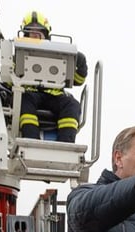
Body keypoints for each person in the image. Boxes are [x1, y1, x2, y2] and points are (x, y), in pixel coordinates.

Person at [17, 10, 87, 142]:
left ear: (45, 34)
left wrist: (81, 62)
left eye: (38, 32)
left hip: (55, 95)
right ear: (25, 34)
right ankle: (32, 141)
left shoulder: (59, 54)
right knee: (24, 100)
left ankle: (66, 143)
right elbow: (9, 79)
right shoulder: (17, 54)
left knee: (72, 104)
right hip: (30, 94)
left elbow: (78, 80)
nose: (34, 36)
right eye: (31, 32)